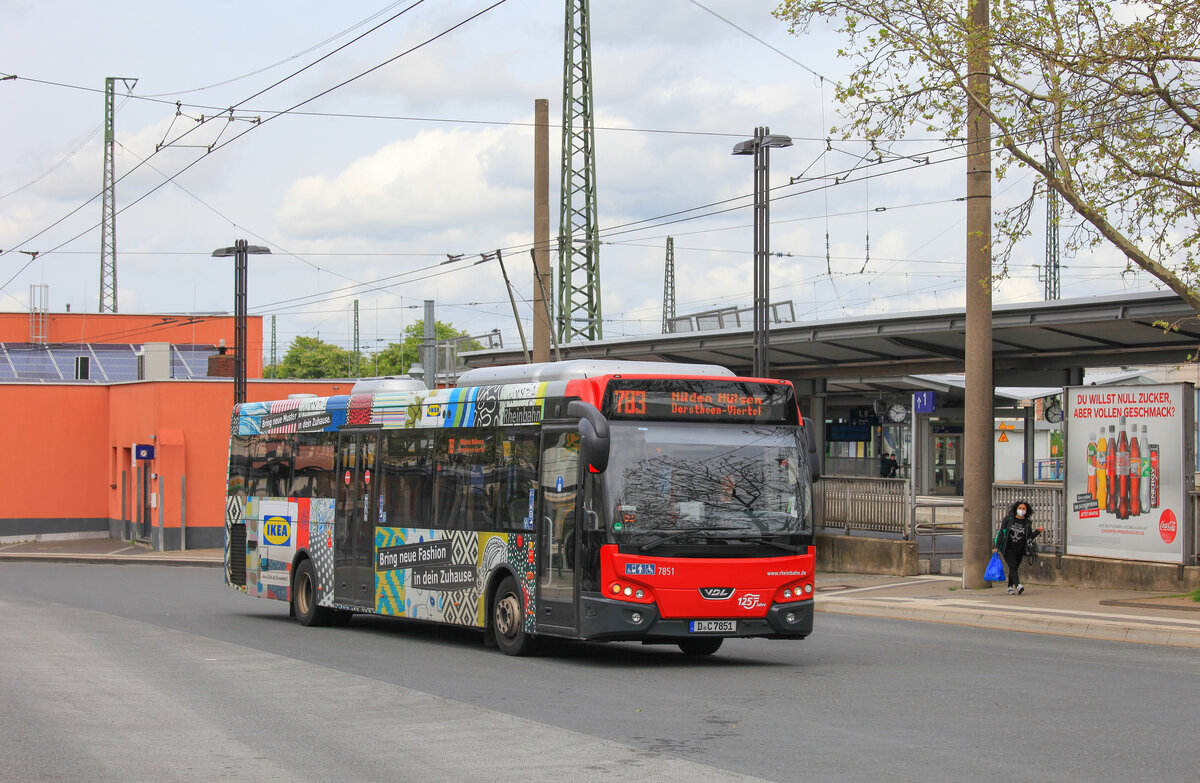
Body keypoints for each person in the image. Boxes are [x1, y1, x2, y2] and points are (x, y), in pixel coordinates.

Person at [993, 500, 1043, 595]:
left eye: (1023, 509)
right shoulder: (1008, 519)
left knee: (1014, 568)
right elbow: (1002, 532)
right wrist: (997, 546)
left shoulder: (1027, 523)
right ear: (1016, 509)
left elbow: (1029, 537)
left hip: (1020, 549)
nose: (1021, 510)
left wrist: (1037, 531)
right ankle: (1018, 585)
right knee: (1013, 566)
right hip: (1008, 548)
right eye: (1020, 508)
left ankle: (1009, 587)